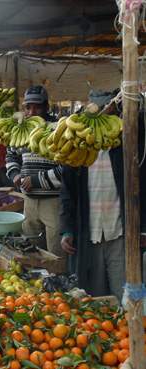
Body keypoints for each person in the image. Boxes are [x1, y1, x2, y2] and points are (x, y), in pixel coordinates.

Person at [60, 97, 146, 300]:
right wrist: (67, 229)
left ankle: (130, 328)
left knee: (125, 292)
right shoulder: (78, 153)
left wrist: (142, 227)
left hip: (119, 234)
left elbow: (140, 188)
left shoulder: (124, 148)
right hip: (89, 234)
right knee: (94, 296)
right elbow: (67, 194)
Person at [5, 86, 63, 257]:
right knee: (32, 250)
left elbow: (68, 167)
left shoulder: (57, 129)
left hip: (53, 201)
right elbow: (10, 155)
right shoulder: (22, 129)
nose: (32, 111)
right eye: (28, 107)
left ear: (46, 106)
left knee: (56, 253)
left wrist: (37, 180)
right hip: (29, 200)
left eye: (37, 107)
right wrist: (15, 174)